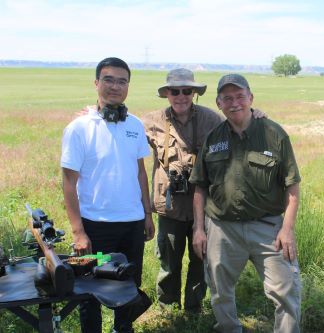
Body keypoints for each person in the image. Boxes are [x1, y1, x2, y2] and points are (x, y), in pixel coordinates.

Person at [142, 68, 266, 312]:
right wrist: (96, 112)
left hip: (205, 206)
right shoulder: (151, 121)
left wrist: (256, 114)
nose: (181, 96)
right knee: (169, 262)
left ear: (194, 93)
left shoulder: (211, 119)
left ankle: (193, 308)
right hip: (170, 207)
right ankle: (168, 310)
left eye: (186, 90)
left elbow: (239, 122)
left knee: (201, 260)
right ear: (167, 93)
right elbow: (123, 127)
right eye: (175, 91)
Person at [190, 74, 302, 333]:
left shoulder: (274, 134)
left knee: (286, 292)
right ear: (219, 103)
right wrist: (199, 228)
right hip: (222, 230)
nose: (234, 103)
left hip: (269, 229)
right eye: (227, 98)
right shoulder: (213, 138)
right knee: (219, 292)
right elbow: (200, 186)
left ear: (251, 98)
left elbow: (292, 186)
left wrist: (287, 229)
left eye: (240, 96)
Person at [61, 57, 155, 333]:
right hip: (95, 225)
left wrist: (147, 214)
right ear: (96, 83)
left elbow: (140, 172)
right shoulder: (78, 128)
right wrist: (78, 231)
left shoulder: (135, 125)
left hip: (133, 224)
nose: (115, 86)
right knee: (90, 291)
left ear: (128, 86)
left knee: (128, 286)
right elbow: (68, 182)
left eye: (122, 81)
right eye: (108, 79)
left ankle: (122, 329)